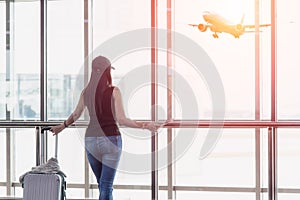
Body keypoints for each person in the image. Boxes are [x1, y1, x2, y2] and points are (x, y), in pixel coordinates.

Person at [50, 56, 159, 200]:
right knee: (106, 185)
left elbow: (76, 114)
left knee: (102, 184)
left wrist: (61, 127)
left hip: (91, 141)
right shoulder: (114, 91)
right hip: (110, 139)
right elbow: (122, 119)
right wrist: (145, 126)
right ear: (108, 71)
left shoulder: (86, 92)